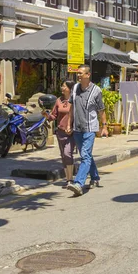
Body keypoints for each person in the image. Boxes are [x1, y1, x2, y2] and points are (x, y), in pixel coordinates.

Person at [66, 65, 108, 197]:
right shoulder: (75, 89)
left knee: (84, 155)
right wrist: (69, 124)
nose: (78, 76)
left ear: (88, 75)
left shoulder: (96, 91)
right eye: (78, 73)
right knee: (87, 155)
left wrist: (104, 127)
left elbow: (101, 110)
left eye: (81, 73)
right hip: (77, 128)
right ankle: (95, 177)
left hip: (90, 128)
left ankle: (79, 183)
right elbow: (71, 108)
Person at [44, 80, 76, 188]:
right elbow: (54, 115)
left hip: (72, 132)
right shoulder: (59, 101)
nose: (62, 88)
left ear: (70, 88)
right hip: (61, 132)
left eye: (64, 86)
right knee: (63, 156)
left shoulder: (75, 100)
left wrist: (73, 127)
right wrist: (46, 115)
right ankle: (68, 179)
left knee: (68, 153)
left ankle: (70, 179)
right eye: (62, 86)